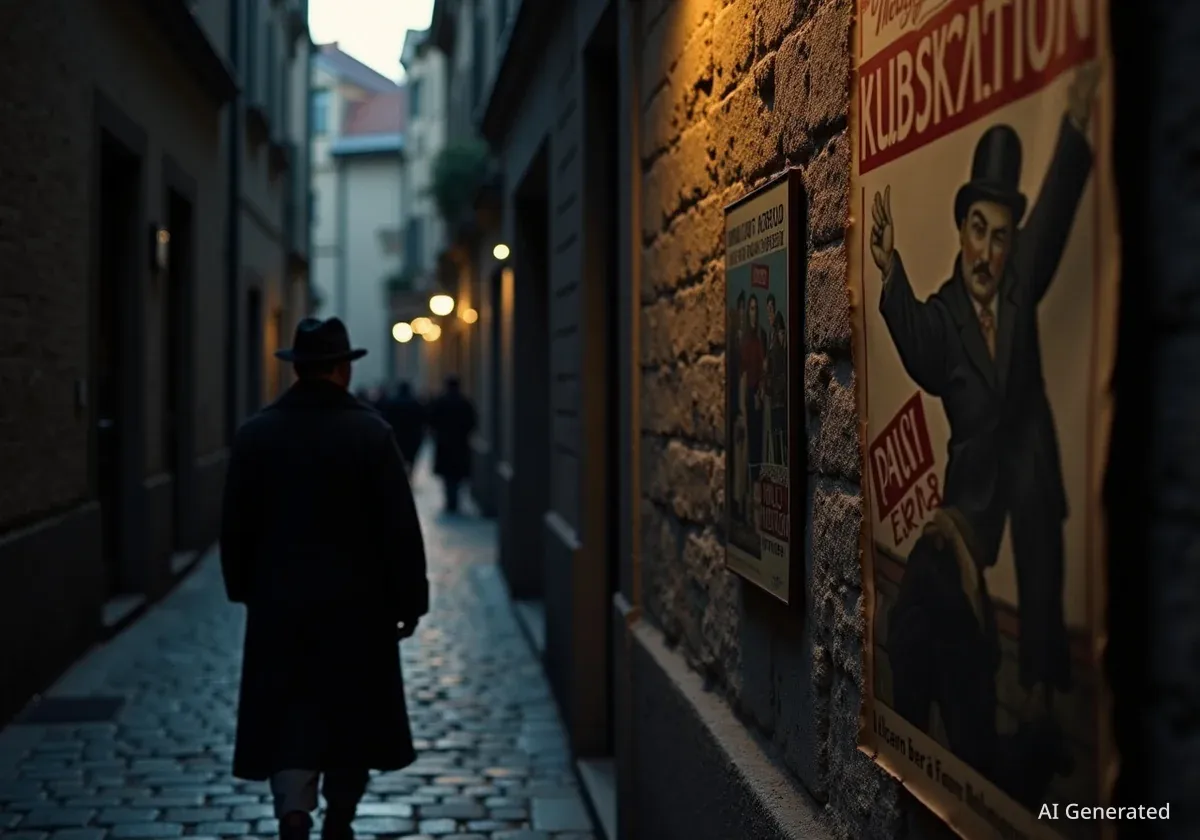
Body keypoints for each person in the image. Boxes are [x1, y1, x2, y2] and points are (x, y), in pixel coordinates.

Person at [871, 62, 1100, 719]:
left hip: (1027, 453)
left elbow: (1055, 205)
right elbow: (916, 340)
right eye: (978, 230)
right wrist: (892, 271)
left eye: (1001, 238)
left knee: (1041, 557)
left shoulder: (1022, 275)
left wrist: (1076, 120)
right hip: (974, 474)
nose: (987, 251)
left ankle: (1042, 683)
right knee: (949, 577)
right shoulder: (944, 312)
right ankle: (963, 678)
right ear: (961, 228)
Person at [219, 317, 428, 840]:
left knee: (289, 711)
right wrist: (410, 600)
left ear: (298, 368)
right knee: (349, 714)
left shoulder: (256, 434)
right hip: (359, 607)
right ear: (342, 369)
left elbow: (235, 525)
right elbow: (398, 527)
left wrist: (244, 587)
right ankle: (340, 817)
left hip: (281, 604)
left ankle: (293, 811)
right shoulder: (370, 434)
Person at [427, 375, 477, 514]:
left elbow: (431, 421)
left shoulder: (440, 402)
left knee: (447, 475)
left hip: (444, 444)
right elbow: (472, 423)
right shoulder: (465, 403)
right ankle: (454, 500)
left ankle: (450, 500)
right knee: (457, 474)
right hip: (460, 444)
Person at [379, 380, 426, 471]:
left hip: (397, 435)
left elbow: (387, 418)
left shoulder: (393, 403)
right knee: (411, 458)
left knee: (398, 458)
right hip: (412, 435)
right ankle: (409, 474)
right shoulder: (415, 403)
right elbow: (422, 419)